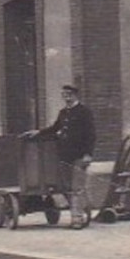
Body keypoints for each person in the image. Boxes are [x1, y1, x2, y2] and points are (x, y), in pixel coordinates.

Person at [36, 83, 96, 228]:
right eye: (64, 95)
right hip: (64, 156)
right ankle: (83, 211)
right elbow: (55, 127)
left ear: (76, 95)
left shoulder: (84, 112)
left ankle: (77, 219)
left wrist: (88, 154)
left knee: (77, 187)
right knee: (68, 187)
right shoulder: (63, 113)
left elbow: (91, 135)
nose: (66, 97)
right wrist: (38, 132)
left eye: (69, 94)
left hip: (79, 156)